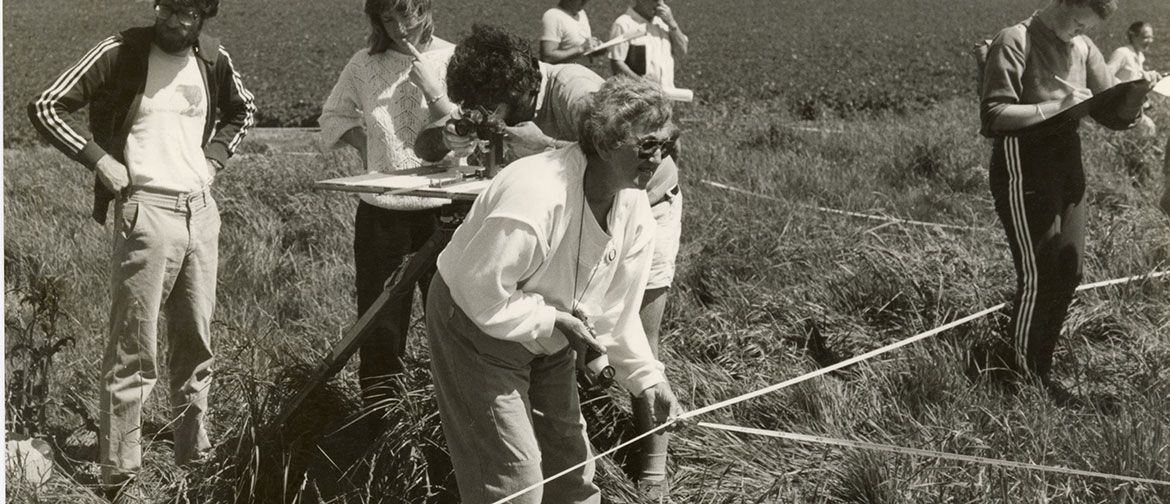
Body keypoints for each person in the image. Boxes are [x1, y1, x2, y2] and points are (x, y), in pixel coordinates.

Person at [421, 23, 685, 496]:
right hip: (473, 325)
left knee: (571, 474)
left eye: (666, 145)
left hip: (547, 328)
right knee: (515, 484)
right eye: (647, 146)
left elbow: (615, 317)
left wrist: (647, 381)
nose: (658, 158)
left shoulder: (635, 213)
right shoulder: (536, 195)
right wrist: (553, 320)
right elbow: (481, 293)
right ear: (605, 143)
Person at [25, 0, 254, 498]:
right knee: (134, 349)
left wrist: (214, 159)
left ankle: (196, 460)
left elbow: (245, 109)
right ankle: (121, 476)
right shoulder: (121, 51)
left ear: (204, 16)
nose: (179, 22)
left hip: (201, 211)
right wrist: (99, 161)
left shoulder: (214, 58)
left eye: (191, 13)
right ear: (157, 7)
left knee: (196, 344)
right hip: (144, 212)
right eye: (171, 10)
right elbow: (46, 105)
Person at [979, 0, 1158, 395]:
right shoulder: (1016, 39)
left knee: (1069, 270)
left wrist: (1136, 94)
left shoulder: (1083, 48)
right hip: (1022, 161)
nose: (1080, 31)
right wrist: (1058, 105)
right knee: (1039, 274)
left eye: (1087, 26)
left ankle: (1038, 365)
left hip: (1067, 164)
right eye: (1077, 21)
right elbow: (993, 116)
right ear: (1061, 2)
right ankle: (1021, 378)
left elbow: (1110, 113)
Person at [317, 0, 456, 428]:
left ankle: (449, 422)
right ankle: (381, 425)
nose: (398, 27)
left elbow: (472, 126)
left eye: (406, 15)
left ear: (425, 9)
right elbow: (332, 115)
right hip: (382, 212)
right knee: (380, 328)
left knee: (453, 323)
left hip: (446, 213)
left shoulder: (452, 58)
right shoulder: (364, 64)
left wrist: (437, 92)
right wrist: (366, 147)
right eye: (387, 19)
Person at [608, 0, 689, 90]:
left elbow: (682, 51)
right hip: (637, 96)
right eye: (655, 0)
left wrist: (672, 23)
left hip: (667, 96)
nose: (660, 4)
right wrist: (644, 86)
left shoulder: (664, 23)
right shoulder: (623, 24)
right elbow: (617, 64)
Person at [1108, 21, 1157, 134]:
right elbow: (1106, 76)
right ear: (1132, 36)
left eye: (1151, 37)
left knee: (1149, 130)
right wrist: (1123, 85)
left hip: (1132, 107)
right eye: (1145, 37)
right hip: (1118, 108)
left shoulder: (1140, 57)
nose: (1149, 41)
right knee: (1148, 130)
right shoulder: (1122, 53)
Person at [540, 0, 602, 64]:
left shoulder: (581, 14)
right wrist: (580, 49)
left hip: (583, 71)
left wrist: (596, 48)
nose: (585, 2)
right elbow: (547, 57)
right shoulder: (553, 16)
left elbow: (584, 47)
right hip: (564, 72)